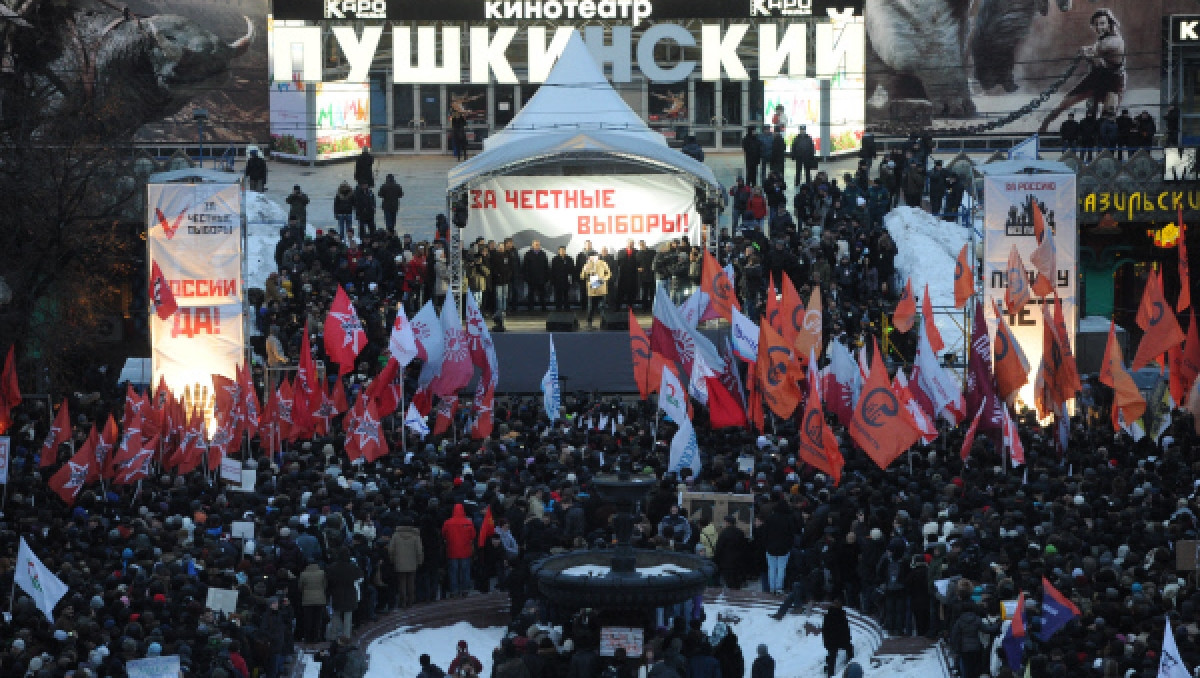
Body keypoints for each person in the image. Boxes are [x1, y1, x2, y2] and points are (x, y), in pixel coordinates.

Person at [1039, 9, 1126, 133]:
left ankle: (1103, 147)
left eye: (1102, 23)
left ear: (1109, 24)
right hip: (1096, 77)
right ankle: (1044, 125)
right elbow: (1095, 54)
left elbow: (1098, 54)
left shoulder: (1114, 41)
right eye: (1096, 24)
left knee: (1107, 117)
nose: (1098, 27)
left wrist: (1087, 52)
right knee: (1064, 103)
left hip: (1113, 82)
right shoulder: (1103, 39)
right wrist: (1088, 52)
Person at [326, 550, 364, 639]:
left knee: (335, 615)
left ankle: (333, 635)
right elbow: (361, 579)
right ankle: (346, 636)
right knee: (348, 616)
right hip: (350, 594)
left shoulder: (332, 568)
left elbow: (328, 580)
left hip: (336, 594)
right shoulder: (353, 568)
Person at [442, 503, 477, 598]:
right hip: (465, 551)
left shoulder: (447, 523)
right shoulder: (468, 522)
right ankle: (465, 590)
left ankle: (454, 591)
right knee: (465, 572)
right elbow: (473, 536)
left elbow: (444, 535)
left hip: (452, 551)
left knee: (453, 572)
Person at [388, 520, 424, 609]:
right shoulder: (415, 536)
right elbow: (419, 551)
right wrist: (420, 561)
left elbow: (391, 550)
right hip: (412, 563)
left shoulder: (396, 535)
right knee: (411, 583)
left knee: (401, 583)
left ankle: (402, 601)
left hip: (399, 562)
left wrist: (392, 560)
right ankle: (411, 601)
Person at [820, 596, 853, 677]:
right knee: (849, 648)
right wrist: (848, 639)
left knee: (832, 656)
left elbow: (825, 630)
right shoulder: (841, 615)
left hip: (831, 641)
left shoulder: (828, 616)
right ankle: (850, 662)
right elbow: (845, 629)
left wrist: (826, 642)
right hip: (840, 640)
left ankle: (830, 674)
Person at [298, 559, 328, 643]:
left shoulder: (303, 574)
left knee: (308, 620)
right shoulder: (322, 573)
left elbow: (300, 587)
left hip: (307, 600)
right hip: (320, 599)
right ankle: (316, 638)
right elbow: (325, 585)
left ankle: (308, 638)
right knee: (317, 620)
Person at [580, 253, 611, 330]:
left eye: (594, 256)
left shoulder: (603, 263)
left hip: (601, 288)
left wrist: (603, 279)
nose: (592, 258)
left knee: (602, 307)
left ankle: (604, 323)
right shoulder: (587, 265)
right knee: (590, 308)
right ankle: (589, 323)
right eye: (591, 257)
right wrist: (585, 271)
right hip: (592, 290)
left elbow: (609, 274)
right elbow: (582, 276)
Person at [522, 240, 550, 311]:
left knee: (542, 294)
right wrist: (527, 278)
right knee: (531, 294)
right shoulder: (528, 254)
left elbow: (546, 267)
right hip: (531, 278)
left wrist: (546, 277)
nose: (538, 246)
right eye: (536, 245)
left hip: (541, 278)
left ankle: (543, 307)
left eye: (538, 245)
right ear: (532, 245)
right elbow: (525, 267)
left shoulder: (543, 254)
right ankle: (530, 308)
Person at [550, 245, 575, 312]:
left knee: (566, 294)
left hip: (567, 280)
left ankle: (567, 307)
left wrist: (572, 279)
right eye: (561, 250)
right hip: (557, 280)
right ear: (558, 251)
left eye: (563, 250)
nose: (562, 251)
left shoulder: (569, 259)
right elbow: (553, 270)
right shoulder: (555, 259)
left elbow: (572, 269)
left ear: (565, 251)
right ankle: (558, 307)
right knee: (558, 295)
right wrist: (552, 280)